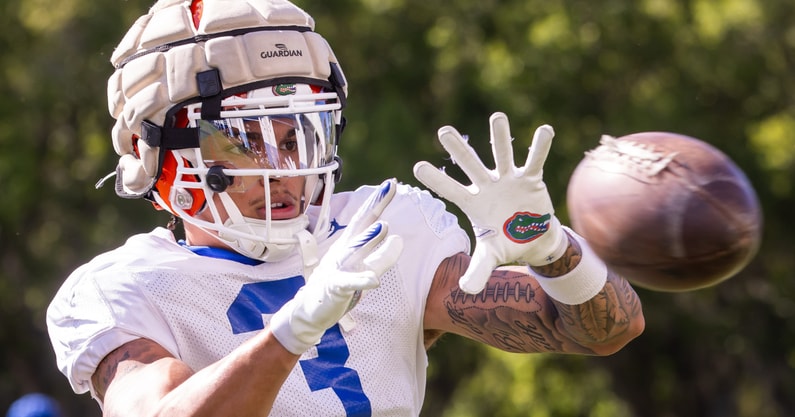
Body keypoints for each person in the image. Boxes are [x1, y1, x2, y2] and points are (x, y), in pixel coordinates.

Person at [46, 0, 645, 415]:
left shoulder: (380, 230)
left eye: (298, 138)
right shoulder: (119, 290)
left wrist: (555, 252)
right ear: (155, 154)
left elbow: (605, 333)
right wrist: (293, 329)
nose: (284, 169)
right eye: (244, 142)